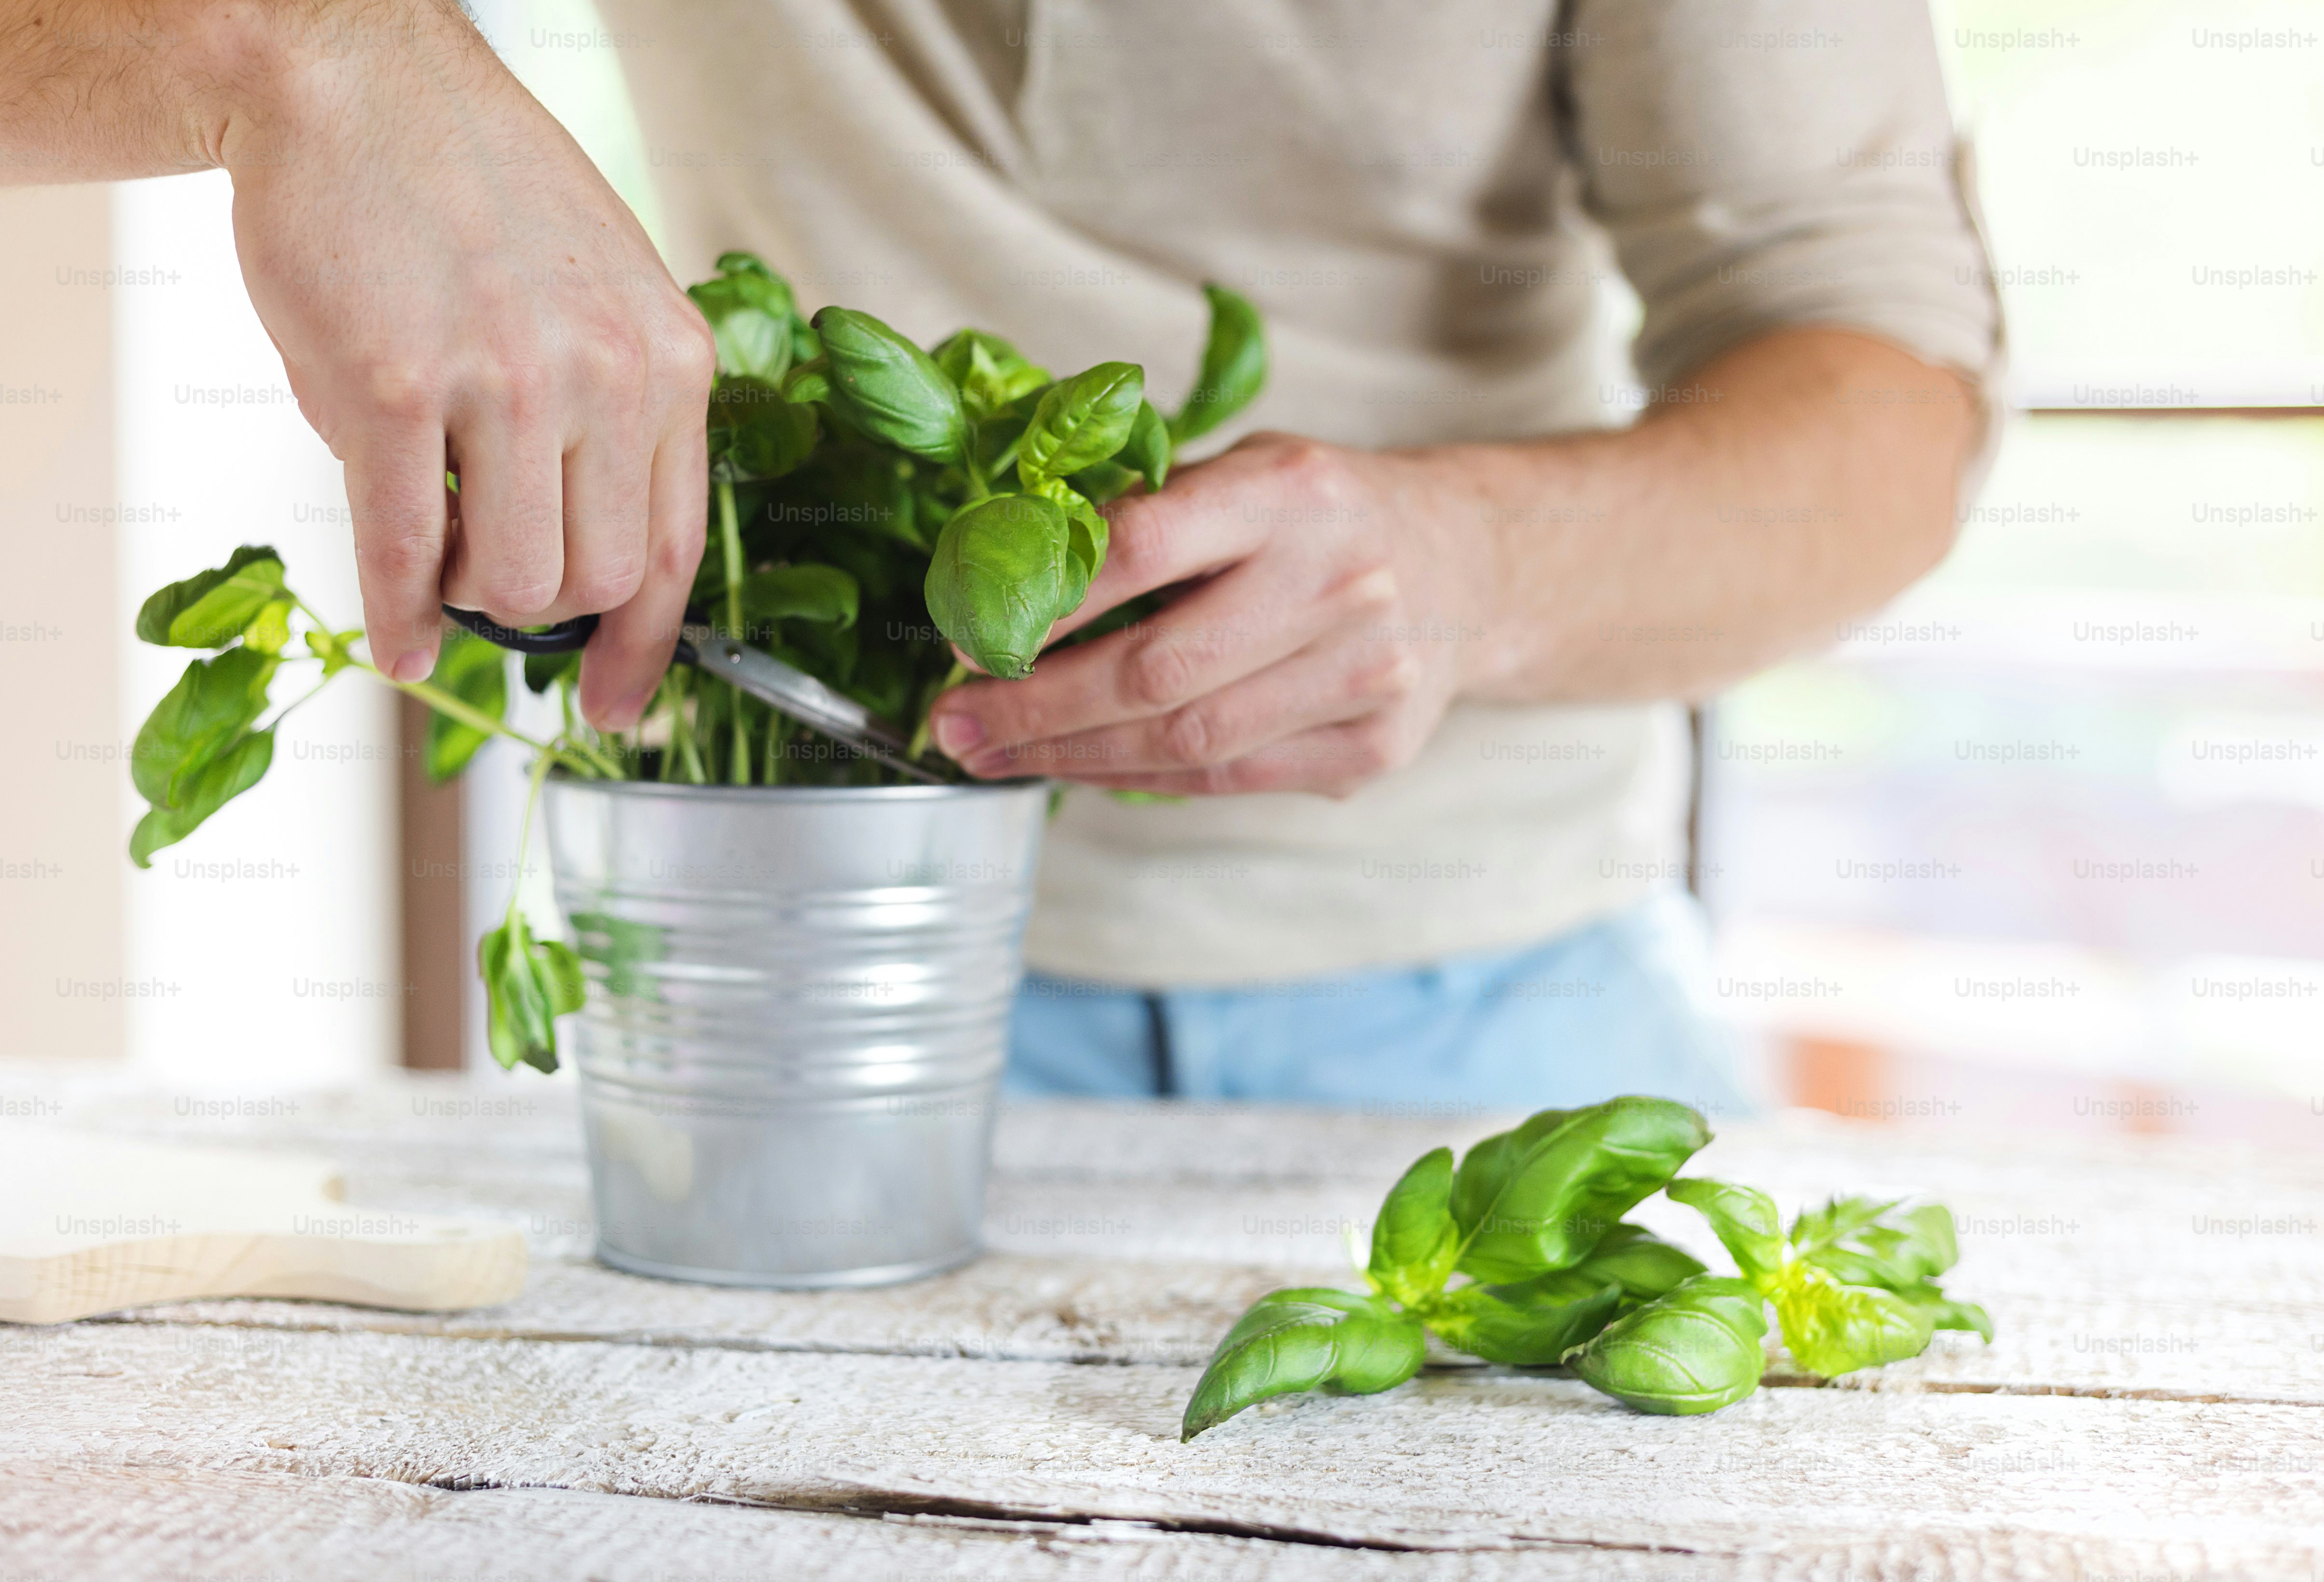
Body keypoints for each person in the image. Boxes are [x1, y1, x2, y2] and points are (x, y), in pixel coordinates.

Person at [4, 0, 1997, 1114]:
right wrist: (307, 49)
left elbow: (1881, 396)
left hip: (1485, 995)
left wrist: (1475, 561)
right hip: (779, 975)